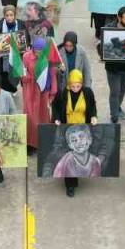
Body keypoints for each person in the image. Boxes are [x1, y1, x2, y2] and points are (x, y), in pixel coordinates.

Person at [51, 69, 99, 197]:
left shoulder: (88, 92)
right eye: (72, 86)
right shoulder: (62, 93)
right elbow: (55, 106)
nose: (75, 88)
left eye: (78, 86)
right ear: (68, 84)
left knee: (81, 153)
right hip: (68, 128)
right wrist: (56, 118)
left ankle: (77, 176)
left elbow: (92, 106)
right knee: (69, 156)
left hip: (83, 128)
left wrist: (94, 116)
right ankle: (70, 184)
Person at [18, 35, 59, 154]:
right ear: (33, 48)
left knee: (43, 117)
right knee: (30, 117)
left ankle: (41, 143)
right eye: (36, 50)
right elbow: (22, 73)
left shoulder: (48, 57)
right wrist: (28, 77)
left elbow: (52, 75)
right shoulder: (26, 56)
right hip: (30, 90)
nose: (38, 52)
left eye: (41, 50)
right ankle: (29, 144)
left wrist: (52, 93)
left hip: (43, 92)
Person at [101, 7, 125, 123]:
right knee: (115, 91)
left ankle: (117, 107)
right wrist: (102, 54)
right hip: (113, 68)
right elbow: (101, 46)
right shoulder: (109, 29)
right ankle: (114, 116)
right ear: (119, 18)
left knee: (122, 91)